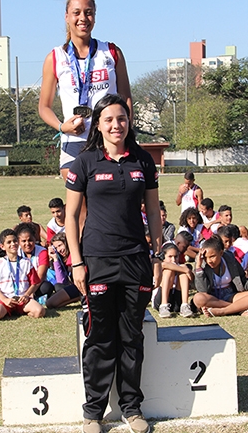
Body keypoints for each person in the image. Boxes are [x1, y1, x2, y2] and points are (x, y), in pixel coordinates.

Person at [65, 94, 159, 433]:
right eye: (109, 120)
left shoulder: (143, 161)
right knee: (100, 338)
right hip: (97, 261)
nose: (116, 125)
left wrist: (158, 254)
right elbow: (71, 217)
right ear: (98, 125)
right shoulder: (85, 162)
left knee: (132, 337)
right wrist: (77, 263)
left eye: (121, 119)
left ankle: (131, 409)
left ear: (128, 122)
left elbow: (153, 213)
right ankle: (93, 412)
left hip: (136, 260)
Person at [38, 0, 132, 179]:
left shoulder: (112, 52)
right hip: (74, 141)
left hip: (108, 139)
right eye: (77, 12)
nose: (83, 18)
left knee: (110, 204)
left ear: (95, 17)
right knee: (79, 206)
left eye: (88, 12)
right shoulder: (55, 57)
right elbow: (44, 107)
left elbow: (126, 97)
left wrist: (125, 132)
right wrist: (61, 127)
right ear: (67, 17)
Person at [193, 237, 248, 317]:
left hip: (231, 295)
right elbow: (203, 290)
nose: (209, 261)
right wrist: (198, 267)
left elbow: (243, 281)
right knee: (198, 298)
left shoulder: (229, 259)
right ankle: (239, 309)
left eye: (212, 256)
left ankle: (222, 311)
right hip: (212, 297)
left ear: (221, 253)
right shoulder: (202, 264)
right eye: (206, 257)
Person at [0, 229, 45, 321]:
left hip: (22, 299)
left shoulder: (26, 262)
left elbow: (35, 283)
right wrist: (4, 299)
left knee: (39, 311)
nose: (13, 244)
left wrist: (27, 295)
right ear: (2, 246)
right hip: (5, 299)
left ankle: (19, 310)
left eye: (15, 241)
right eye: (9, 242)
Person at [15, 222, 54, 301]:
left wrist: (28, 293)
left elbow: (40, 276)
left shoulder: (42, 252)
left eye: (30, 240)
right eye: (23, 241)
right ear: (18, 242)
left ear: (35, 239)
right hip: (19, 283)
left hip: (36, 284)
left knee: (46, 287)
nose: (27, 244)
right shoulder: (15, 252)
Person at [155, 242, 193, 318]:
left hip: (176, 300)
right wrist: (186, 270)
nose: (173, 260)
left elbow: (191, 279)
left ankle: (184, 305)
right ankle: (164, 306)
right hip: (160, 299)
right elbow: (164, 265)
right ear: (163, 256)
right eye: (170, 256)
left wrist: (185, 270)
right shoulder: (161, 265)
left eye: (176, 257)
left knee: (182, 272)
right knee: (169, 271)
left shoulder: (181, 267)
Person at [45, 232, 81, 309]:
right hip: (73, 287)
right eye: (56, 248)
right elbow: (61, 281)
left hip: (81, 285)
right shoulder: (61, 259)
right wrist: (55, 259)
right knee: (49, 303)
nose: (59, 250)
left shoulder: (75, 254)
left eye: (60, 245)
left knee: (58, 289)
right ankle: (81, 297)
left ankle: (83, 295)